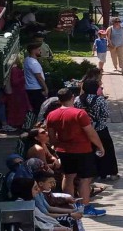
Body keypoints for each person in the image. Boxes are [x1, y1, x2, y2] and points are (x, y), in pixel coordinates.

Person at [45, 89, 106, 217]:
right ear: (73, 97)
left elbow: (51, 137)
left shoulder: (52, 115)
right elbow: (90, 132)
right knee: (85, 179)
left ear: (59, 99)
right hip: (83, 150)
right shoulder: (80, 113)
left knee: (68, 177)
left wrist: (58, 146)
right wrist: (100, 146)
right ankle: (85, 207)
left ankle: (70, 205)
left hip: (63, 151)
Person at [75, 78, 119, 180]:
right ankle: (111, 173)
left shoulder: (78, 99)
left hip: (85, 130)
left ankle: (94, 173)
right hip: (100, 129)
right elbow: (106, 114)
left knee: (90, 152)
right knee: (107, 150)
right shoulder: (99, 99)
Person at [6, 55, 32, 129]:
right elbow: (15, 82)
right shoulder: (14, 69)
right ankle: (17, 123)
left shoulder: (12, 68)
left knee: (16, 108)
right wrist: (23, 77)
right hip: (18, 91)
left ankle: (16, 122)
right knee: (18, 108)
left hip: (18, 91)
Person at [24, 43, 49, 116]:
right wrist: (46, 89)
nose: (40, 51)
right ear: (33, 51)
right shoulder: (33, 63)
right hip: (36, 89)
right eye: (39, 49)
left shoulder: (27, 60)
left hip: (30, 88)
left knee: (34, 108)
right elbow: (39, 77)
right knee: (40, 109)